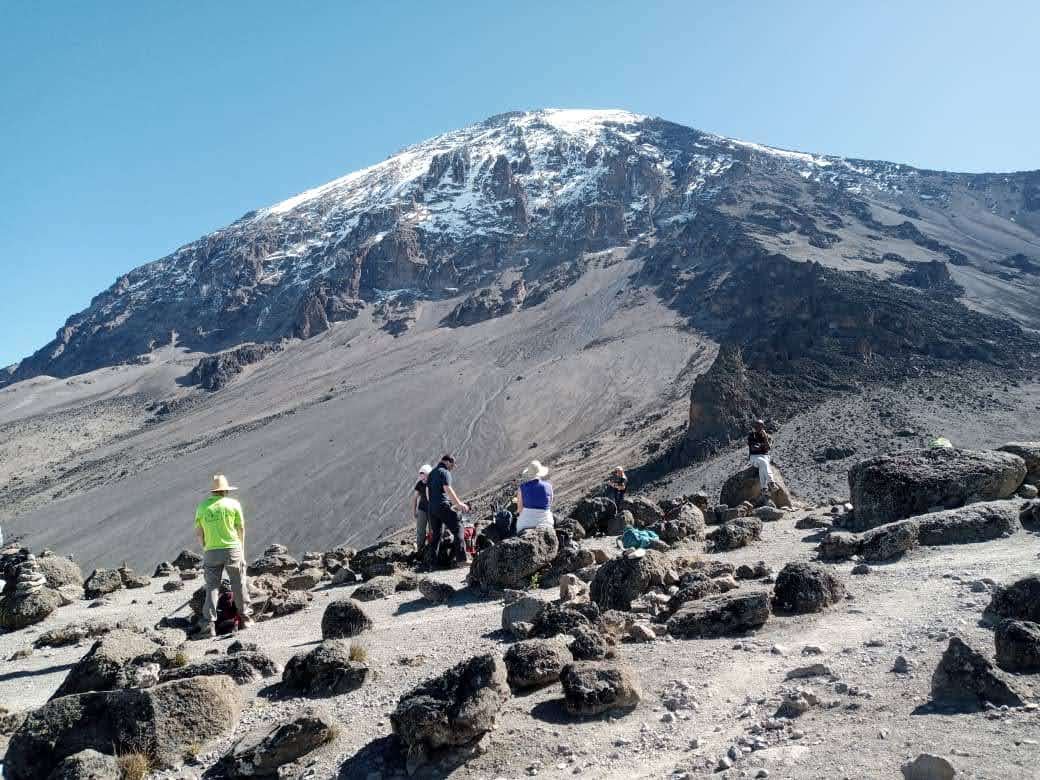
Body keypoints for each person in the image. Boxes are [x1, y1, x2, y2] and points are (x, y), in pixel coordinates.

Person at [194, 474, 251, 638]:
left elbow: (199, 532)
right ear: (225, 490)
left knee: (212, 586)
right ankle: (245, 618)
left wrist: (204, 547)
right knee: (238, 583)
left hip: (211, 550)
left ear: (213, 491)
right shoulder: (233, 504)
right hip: (232, 547)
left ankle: (209, 624)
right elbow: (241, 529)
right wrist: (242, 549)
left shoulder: (203, 506)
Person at [425, 455, 469, 567]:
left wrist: (433, 504)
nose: (453, 467)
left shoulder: (432, 473)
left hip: (432, 508)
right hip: (442, 505)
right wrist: (458, 504)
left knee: (436, 535)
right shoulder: (444, 472)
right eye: (453, 464)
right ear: (447, 462)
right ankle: (461, 559)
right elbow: (448, 489)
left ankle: (431, 564)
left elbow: (427, 491)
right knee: (458, 527)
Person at [516, 460, 554, 532]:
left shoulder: (522, 487)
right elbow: (549, 504)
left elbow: (520, 509)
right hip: (546, 522)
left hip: (526, 524)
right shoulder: (549, 486)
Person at [748, 419, 778, 492]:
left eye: (760, 426)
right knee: (764, 463)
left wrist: (765, 438)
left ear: (763, 426)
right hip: (754, 457)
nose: (758, 427)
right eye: (757, 426)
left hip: (765, 456)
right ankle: (771, 482)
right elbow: (754, 448)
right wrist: (762, 446)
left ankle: (764, 488)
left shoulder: (768, 437)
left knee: (763, 465)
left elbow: (768, 448)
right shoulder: (751, 435)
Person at [412, 464, 433, 555]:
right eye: (421, 475)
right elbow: (415, 498)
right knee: (420, 530)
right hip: (422, 510)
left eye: (423, 475)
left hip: (433, 511)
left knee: (433, 530)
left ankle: (432, 549)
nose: (422, 478)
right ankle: (420, 550)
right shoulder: (419, 484)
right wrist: (414, 511)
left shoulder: (433, 483)